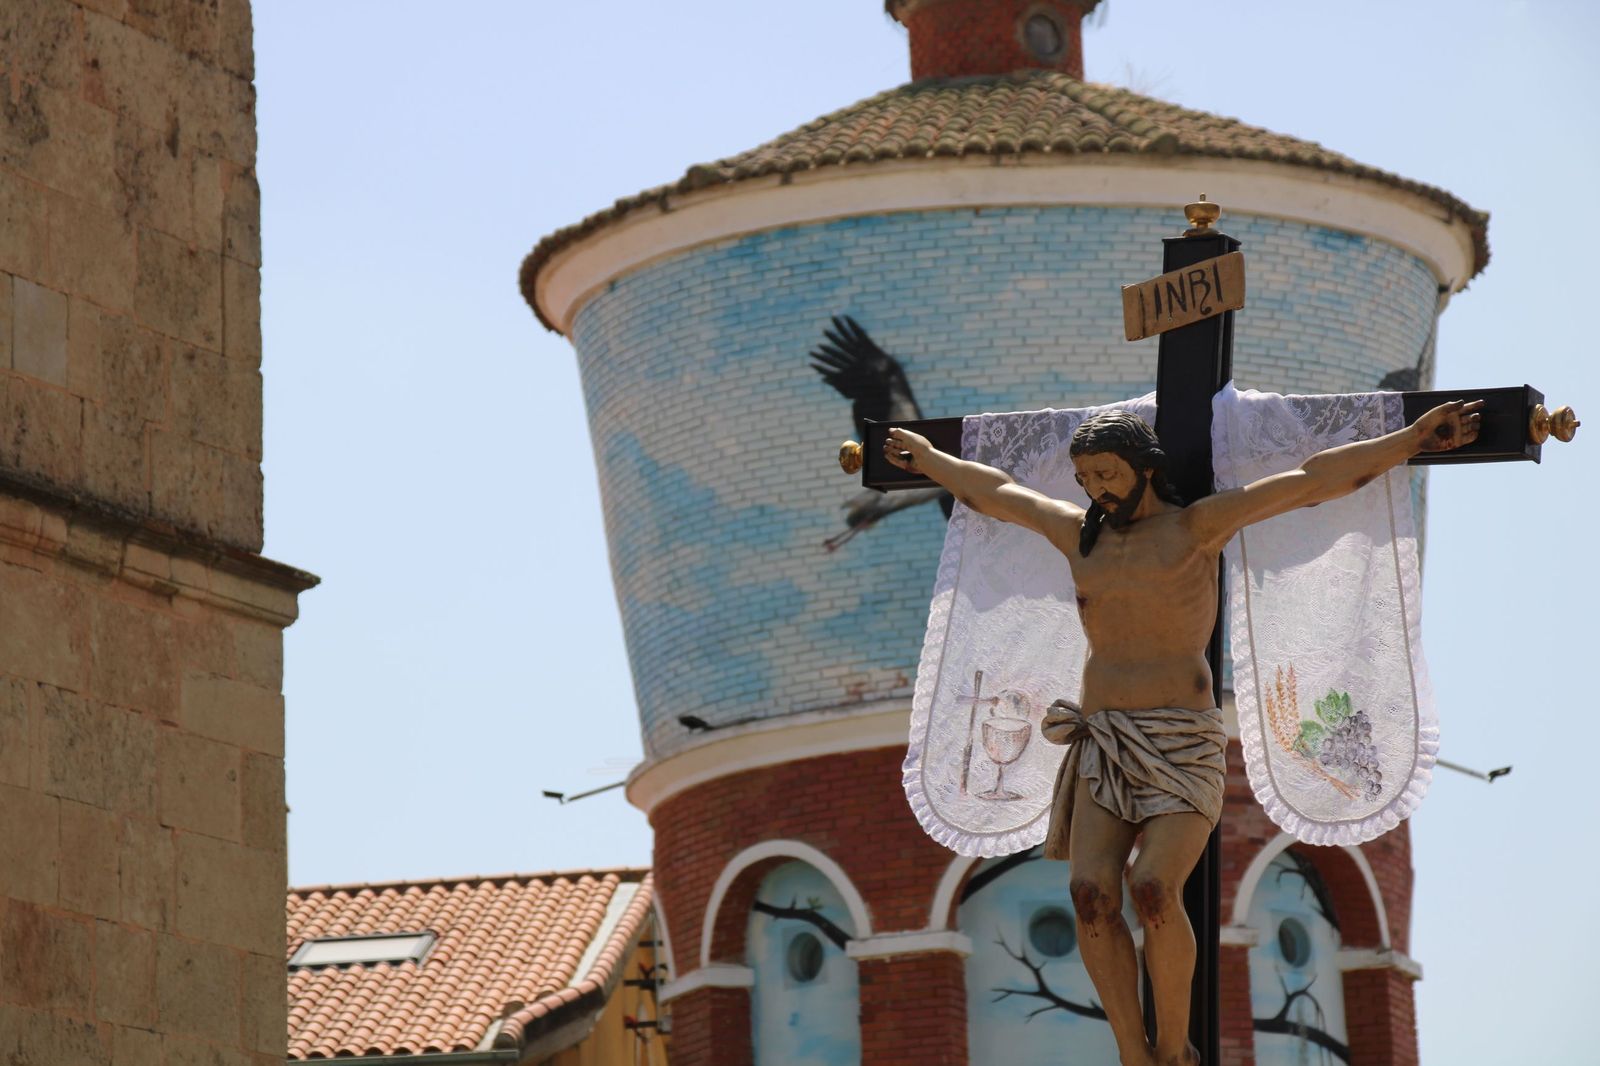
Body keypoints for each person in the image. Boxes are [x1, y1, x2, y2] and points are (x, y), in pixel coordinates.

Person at [883, 398, 1482, 1066]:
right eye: (1085, 478)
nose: (1096, 489)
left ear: (1145, 467)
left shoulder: (1196, 527)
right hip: (1105, 743)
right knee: (1089, 894)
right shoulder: (1081, 538)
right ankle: (1132, 1054)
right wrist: (933, 461)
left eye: (1107, 472)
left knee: (1154, 889)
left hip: (1181, 742)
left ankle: (1174, 1051)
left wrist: (1411, 439)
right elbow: (999, 494)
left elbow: (1313, 479)